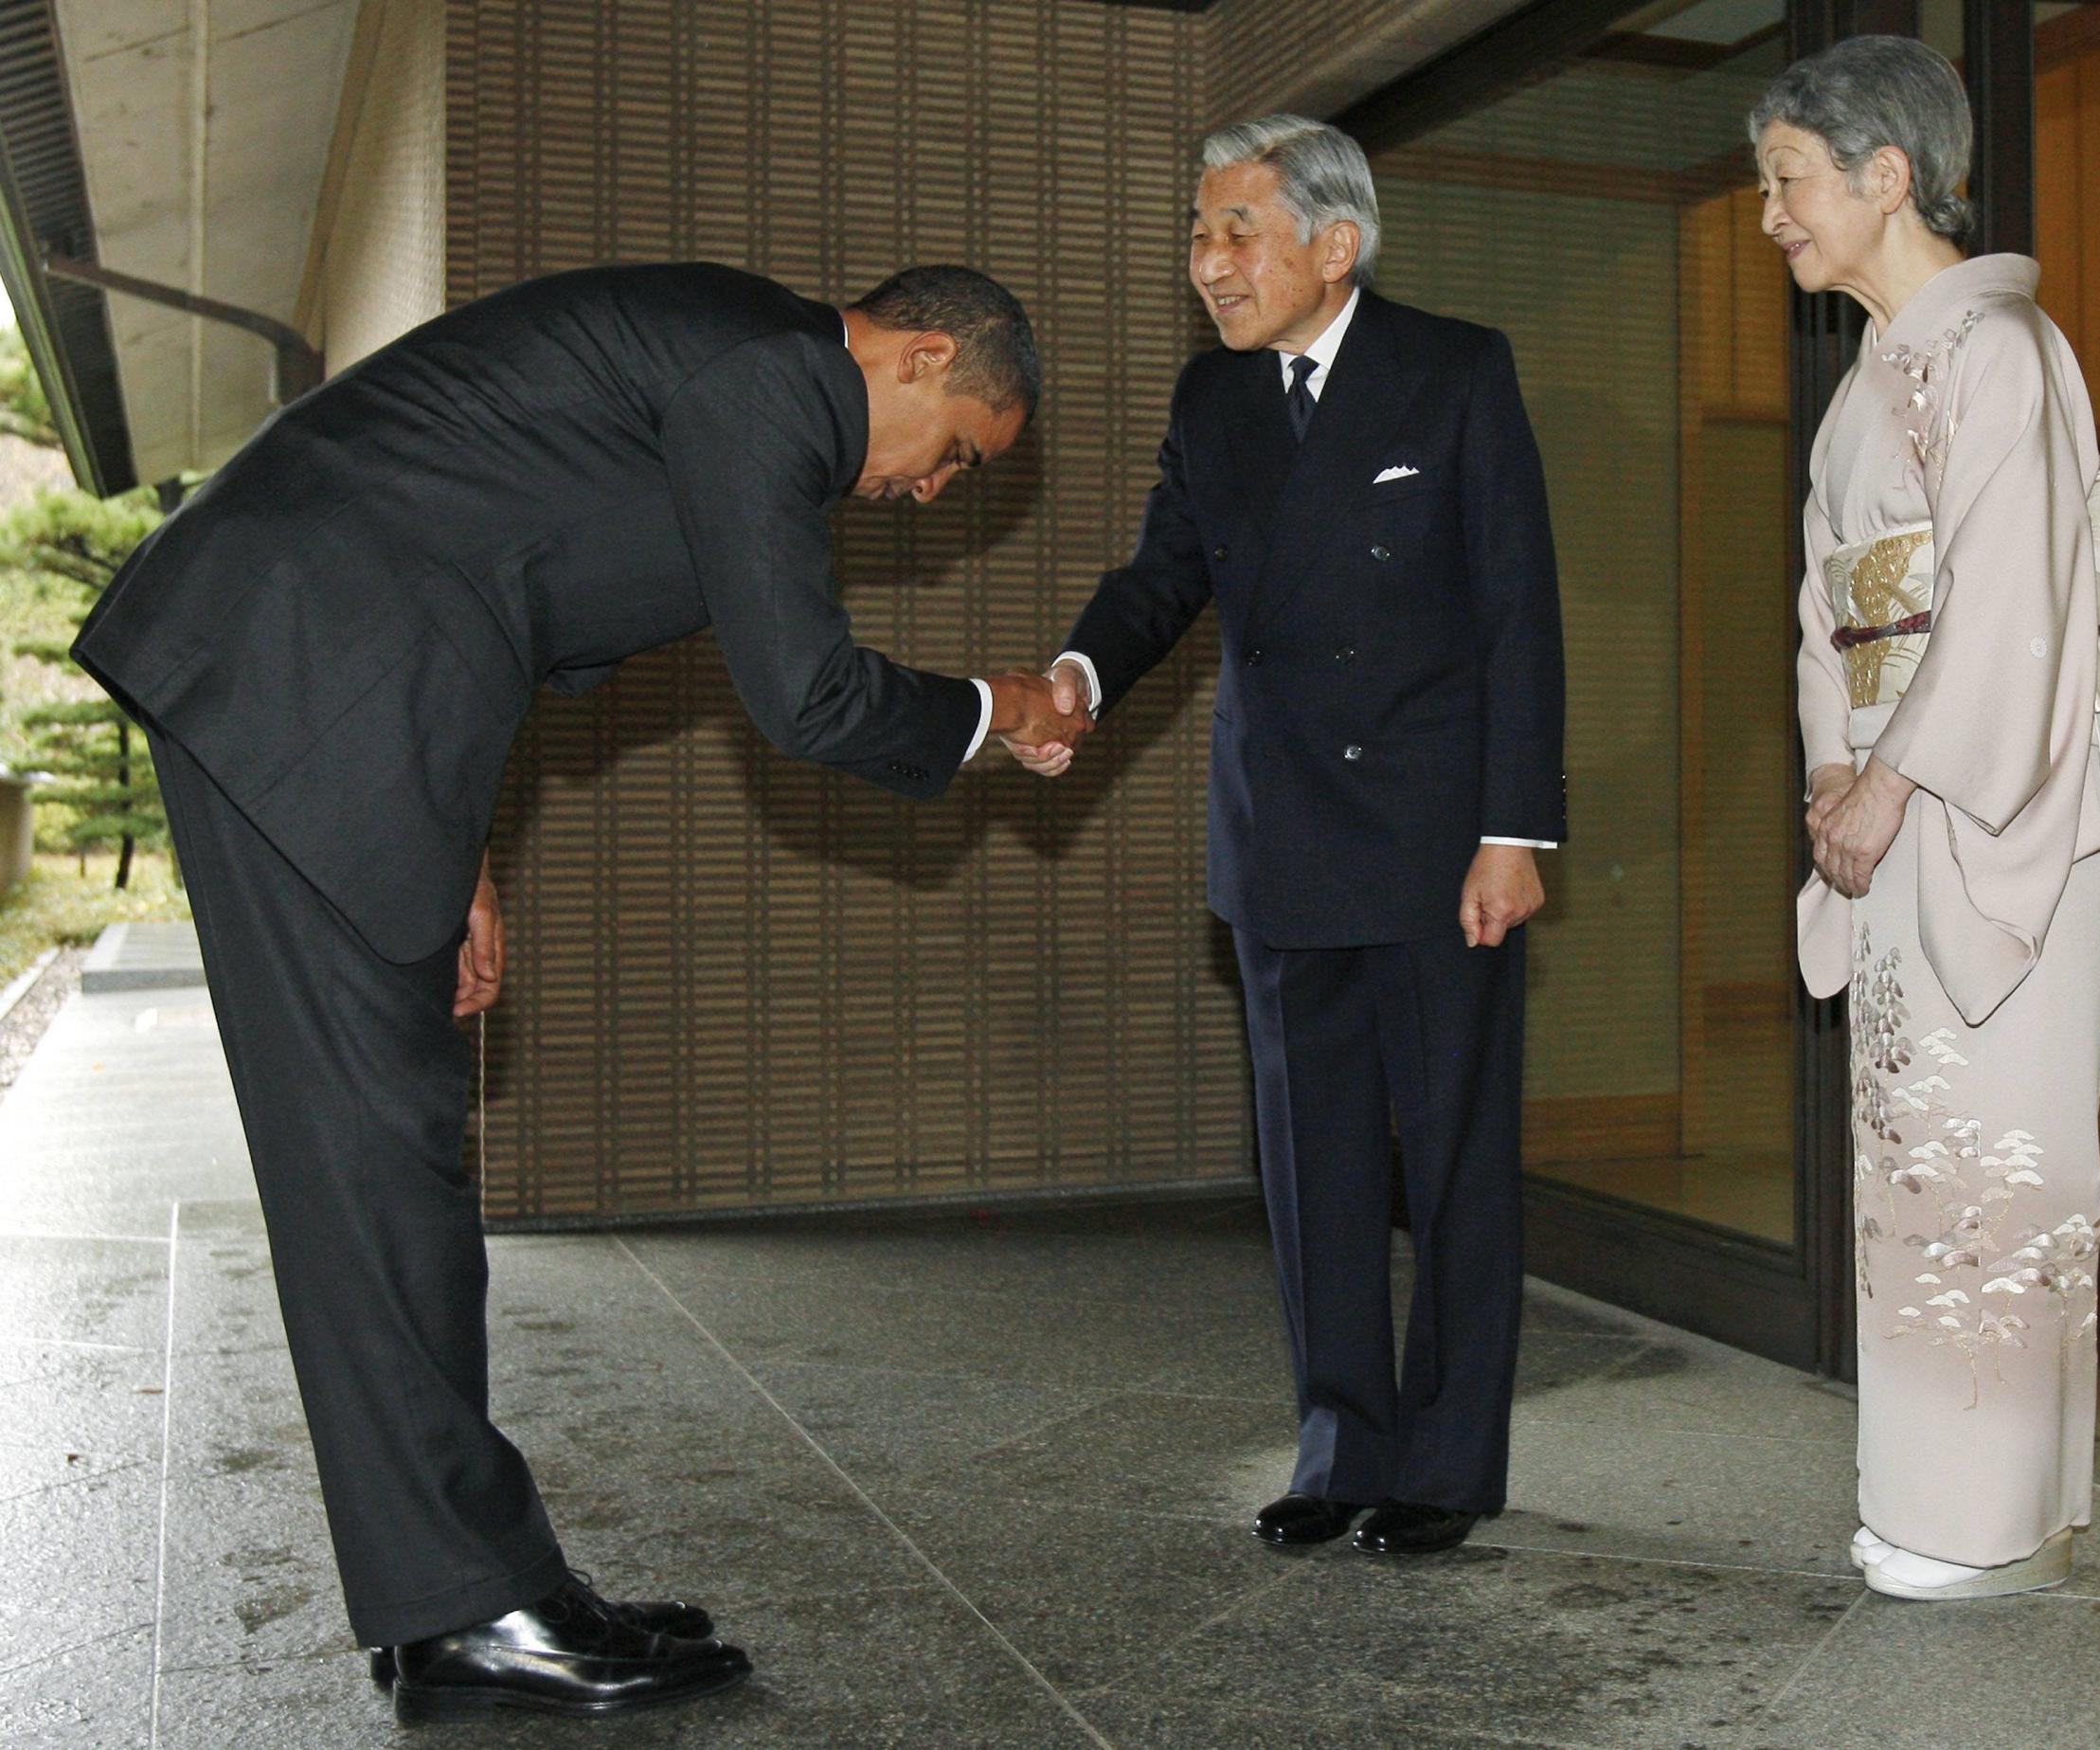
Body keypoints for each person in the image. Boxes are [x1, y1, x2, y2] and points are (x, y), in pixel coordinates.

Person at [73, 262, 1092, 1721]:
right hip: (301, 676)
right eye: (958, 459)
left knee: (395, 1149)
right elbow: (802, 694)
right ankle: (466, 1611)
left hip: (349, 691)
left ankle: (476, 1591)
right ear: (922, 356)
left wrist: (461, 846)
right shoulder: (774, 381)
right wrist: (1006, 709)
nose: (935, 497)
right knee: (373, 1160)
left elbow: (495, 571)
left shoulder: (737, 378)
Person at [1009, 116, 1565, 1557]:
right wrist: (1074, 677)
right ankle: (1340, 1447)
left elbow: (1518, 611)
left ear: (1336, 242)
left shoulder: (1453, 369)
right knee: (1310, 1162)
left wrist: (1516, 829)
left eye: (1235, 232)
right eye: (1197, 235)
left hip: (1443, 843)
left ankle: (1442, 1465)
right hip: (1282, 838)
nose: (1207, 264)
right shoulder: (1214, 404)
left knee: (1447, 1158)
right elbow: (1159, 579)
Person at [1758, 37, 2100, 1600]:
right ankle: (1933, 1496)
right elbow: (1833, 614)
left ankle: (1985, 1518)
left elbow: (2020, 605)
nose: (1771, 217)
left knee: (1993, 1150)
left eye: (1788, 183)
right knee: (1916, 1157)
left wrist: (1895, 772)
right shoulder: (1871, 381)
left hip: (1979, 810)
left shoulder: (1997, 349)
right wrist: (1838, 769)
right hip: (1897, 806)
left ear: (1884, 177)